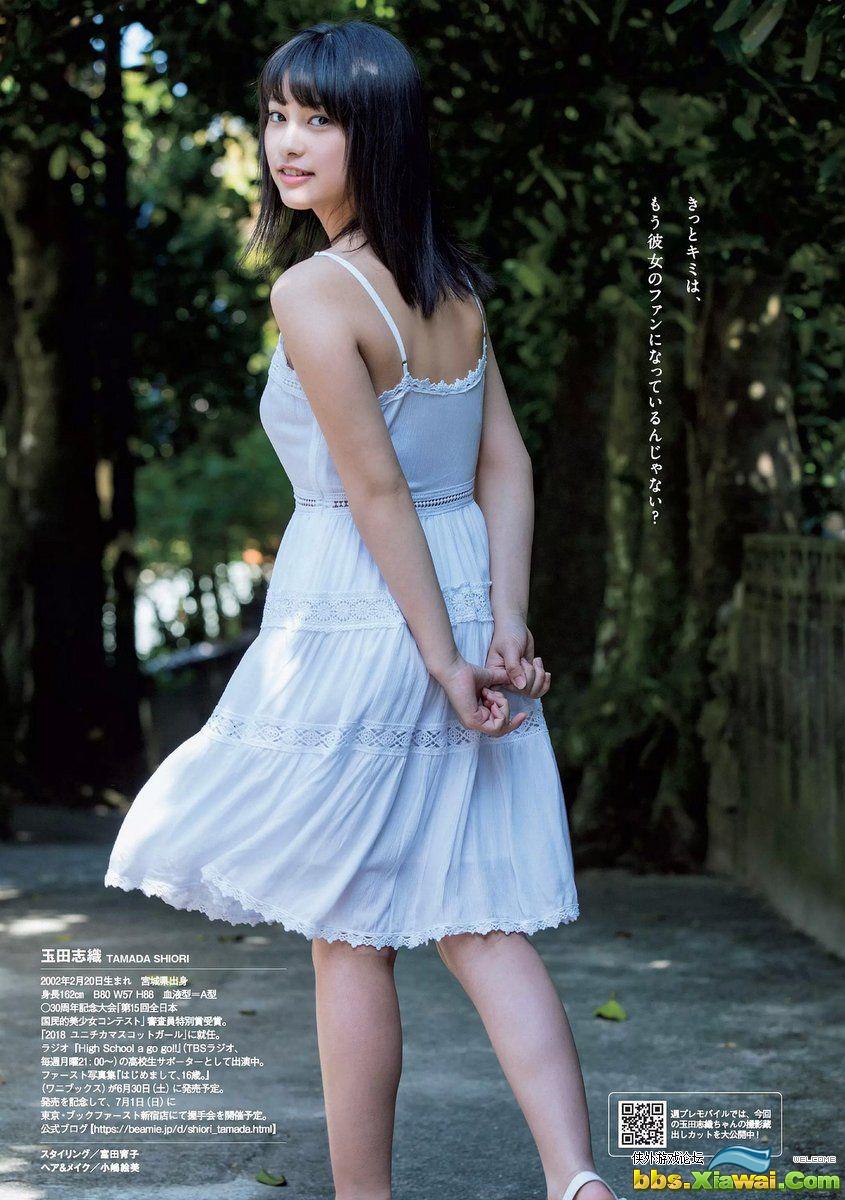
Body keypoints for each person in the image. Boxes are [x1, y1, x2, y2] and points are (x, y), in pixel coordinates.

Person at [105, 19, 624, 1200]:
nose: (286, 143)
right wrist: (503, 622)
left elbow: (375, 493)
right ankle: (575, 1178)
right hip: (455, 593)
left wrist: (448, 657)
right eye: (276, 115)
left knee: (347, 933)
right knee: (478, 918)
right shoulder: (452, 289)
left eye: (319, 120)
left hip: (365, 606)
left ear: (376, 135)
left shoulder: (312, 290)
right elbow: (502, 465)